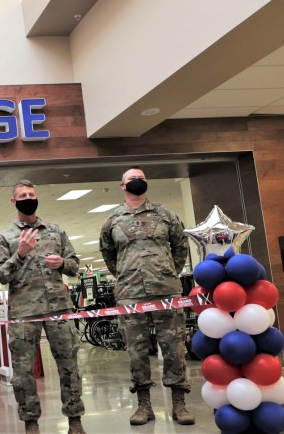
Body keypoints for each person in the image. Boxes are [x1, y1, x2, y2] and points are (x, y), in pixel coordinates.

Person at [99, 167, 195, 426]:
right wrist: (126, 275)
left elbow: (180, 247)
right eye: (131, 179)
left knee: (174, 347)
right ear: (122, 186)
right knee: (136, 351)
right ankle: (144, 405)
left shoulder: (166, 215)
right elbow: (108, 255)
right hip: (130, 295)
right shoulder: (112, 221)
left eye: (141, 178)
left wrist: (167, 272)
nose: (137, 182)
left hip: (166, 291)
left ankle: (179, 404)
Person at [0, 180, 86, 434]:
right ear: (13, 202)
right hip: (24, 313)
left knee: (69, 365)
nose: (28, 198)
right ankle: (31, 423)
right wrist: (20, 254)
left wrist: (62, 263)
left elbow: (75, 265)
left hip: (58, 309)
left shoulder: (55, 230)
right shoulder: (4, 237)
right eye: (22, 195)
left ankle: (75, 420)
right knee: (23, 372)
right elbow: (1, 275)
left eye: (31, 194)